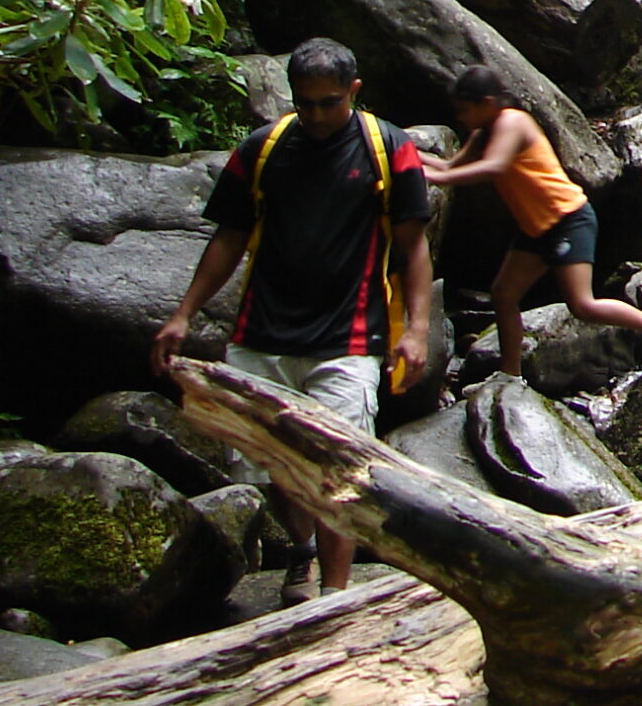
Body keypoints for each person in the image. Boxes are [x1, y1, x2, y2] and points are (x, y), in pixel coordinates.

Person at [152, 36, 433, 605]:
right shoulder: (263, 149)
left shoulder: (389, 149)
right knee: (274, 468)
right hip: (262, 335)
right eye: (304, 103)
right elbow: (228, 237)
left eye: (329, 102)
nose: (316, 115)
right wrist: (183, 313)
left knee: (339, 476)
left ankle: (333, 596)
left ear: (354, 91)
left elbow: (413, 245)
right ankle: (300, 550)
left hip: (349, 339)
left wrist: (417, 328)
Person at [422, 65, 642, 376]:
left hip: (567, 219)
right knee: (504, 295)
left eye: (465, 110)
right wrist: (406, 152)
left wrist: (438, 176)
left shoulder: (513, 122)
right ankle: (511, 375)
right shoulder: (483, 133)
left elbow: (493, 167)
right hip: (536, 228)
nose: (461, 118)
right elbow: (448, 166)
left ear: (488, 102)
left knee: (582, 304)